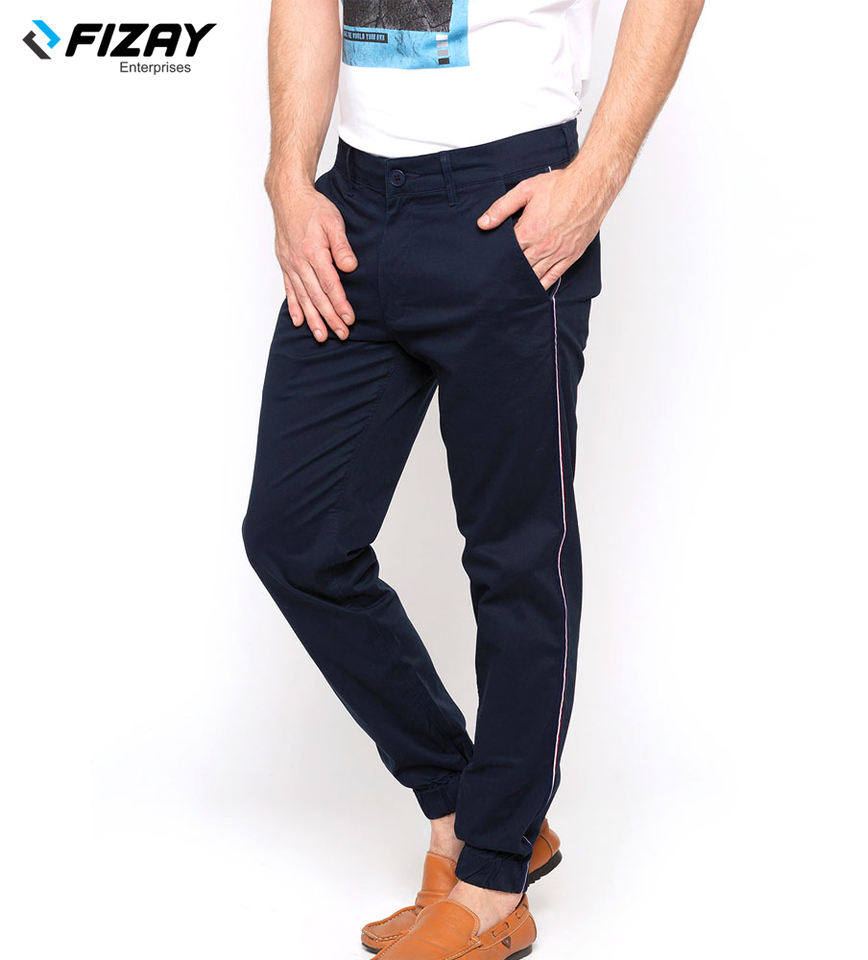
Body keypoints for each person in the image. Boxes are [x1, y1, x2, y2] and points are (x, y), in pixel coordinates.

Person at [242, 1, 703, 955]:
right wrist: (289, 177)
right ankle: (472, 803)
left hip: (508, 198)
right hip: (354, 205)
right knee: (296, 539)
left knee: (516, 556)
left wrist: (596, 176)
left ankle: (493, 878)